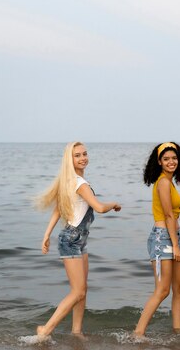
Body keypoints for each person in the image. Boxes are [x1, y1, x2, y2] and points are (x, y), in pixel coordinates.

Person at [35, 142, 121, 339]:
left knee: (82, 290)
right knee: (78, 291)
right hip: (72, 240)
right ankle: (45, 330)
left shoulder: (72, 181)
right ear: (70, 160)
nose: (83, 158)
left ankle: (76, 331)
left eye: (85, 154)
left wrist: (47, 235)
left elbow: (59, 209)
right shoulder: (80, 184)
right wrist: (114, 204)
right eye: (77, 155)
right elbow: (99, 208)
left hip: (78, 240)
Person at [134, 142, 180, 337]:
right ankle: (138, 333)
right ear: (159, 162)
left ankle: (178, 332)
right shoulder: (162, 182)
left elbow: (169, 210)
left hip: (174, 236)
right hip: (163, 239)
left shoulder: (168, 182)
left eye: (174, 158)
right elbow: (168, 216)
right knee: (162, 290)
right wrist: (175, 246)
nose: (171, 162)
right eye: (167, 159)